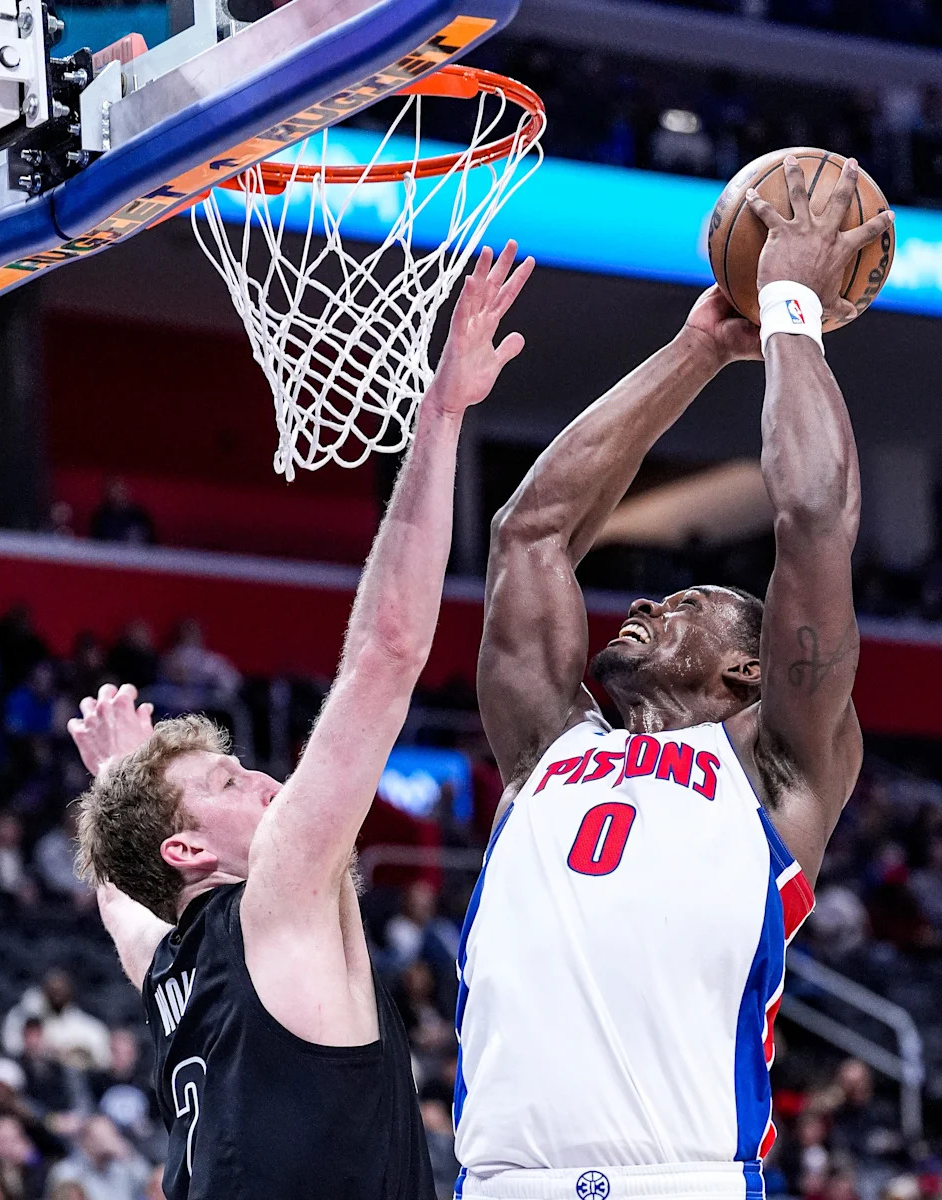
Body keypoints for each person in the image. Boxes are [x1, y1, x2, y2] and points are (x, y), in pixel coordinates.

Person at [458, 158, 895, 1200]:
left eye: (687, 604)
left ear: (751, 665)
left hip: (683, 1179)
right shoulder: (547, 746)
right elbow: (531, 534)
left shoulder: (777, 762)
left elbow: (815, 522)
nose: (647, 606)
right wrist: (696, 347)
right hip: (498, 1184)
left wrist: (792, 310)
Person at [67, 241, 534, 1200]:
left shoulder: (170, 975)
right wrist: (441, 417)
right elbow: (390, 650)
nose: (269, 783)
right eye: (230, 785)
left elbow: (122, 899)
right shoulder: (276, 888)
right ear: (190, 852)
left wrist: (121, 782)